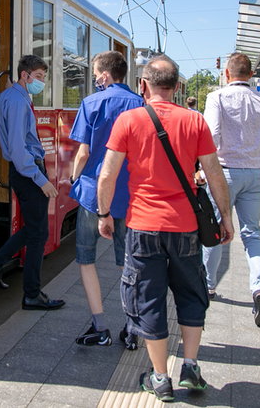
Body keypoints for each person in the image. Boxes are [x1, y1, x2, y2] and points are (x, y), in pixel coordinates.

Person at [98, 55, 234, 401]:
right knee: (191, 294)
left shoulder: (128, 121)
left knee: (149, 299)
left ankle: (160, 377)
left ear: (144, 86)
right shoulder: (195, 121)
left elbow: (108, 174)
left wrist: (104, 214)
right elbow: (214, 174)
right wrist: (226, 217)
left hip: (143, 227)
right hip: (185, 227)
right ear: (176, 87)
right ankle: (190, 366)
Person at [69, 51, 144, 348]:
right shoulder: (140, 104)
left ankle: (100, 326)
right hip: (128, 195)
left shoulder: (91, 103)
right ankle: (132, 328)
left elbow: (84, 153)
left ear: (104, 75)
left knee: (86, 259)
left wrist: (74, 180)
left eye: (96, 74)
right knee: (129, 263)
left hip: (93, 194)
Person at [0, 55, 64, 311]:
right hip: (28, 172)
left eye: (43, 78)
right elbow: (18, 150)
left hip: (23, 171)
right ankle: (31, 294)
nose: (41, 82)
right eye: (38, 77)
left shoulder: (11, 97)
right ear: (24, 74)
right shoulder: (17, 101)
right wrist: (41, 179)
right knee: (39, 233)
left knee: (35, 230)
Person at [201, 52, 260, 327]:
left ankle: (208, 286)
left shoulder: (217, 98)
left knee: (218, 227)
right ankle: (259, 288)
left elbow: (211, 136)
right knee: (252, 233)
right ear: (252, 74)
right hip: (256, 173)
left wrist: (203, 168)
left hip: (224, 172)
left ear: (227, 74)